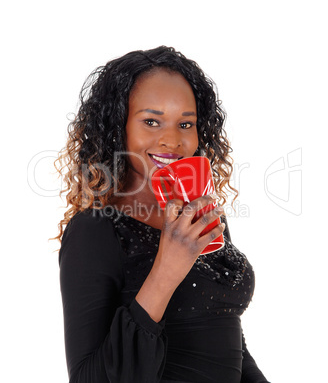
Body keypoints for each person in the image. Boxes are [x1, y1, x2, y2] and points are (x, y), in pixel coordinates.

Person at [51, 46, 270, 383]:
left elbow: (226, 338)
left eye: (186, 123)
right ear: (118, 127)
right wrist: (166, 271)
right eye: (151, 121)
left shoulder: (205, 216)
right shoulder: (95, 231)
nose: (172, 140)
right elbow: (87, 378)